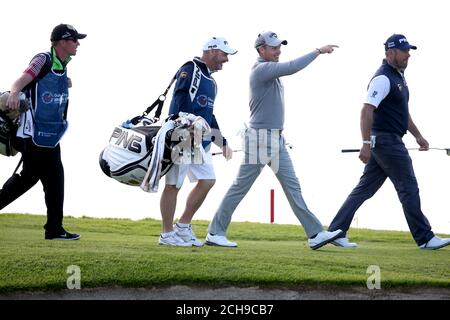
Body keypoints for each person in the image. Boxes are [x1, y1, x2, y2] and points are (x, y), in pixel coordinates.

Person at [206, 31, 343, 249]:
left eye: (279, 47)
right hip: (261, 140)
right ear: (261, 50)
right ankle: (215, 232)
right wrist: (318, 51)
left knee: (293, 187)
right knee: (240, 187)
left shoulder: (271, 71)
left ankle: (315, 233)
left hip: (276, 139)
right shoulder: (262, 69)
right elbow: (292, 67)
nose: (278, 50)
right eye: (274, 47)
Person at [328, 34, 450, 250]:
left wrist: (418, 135)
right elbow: (366, 110)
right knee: (408, 187)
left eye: (408, 51)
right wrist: (365, 143)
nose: (408, 55)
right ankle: (425, 238)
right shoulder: (383, 78)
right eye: (404, 51)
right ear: (390, 53)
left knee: (363, 189)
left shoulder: (398, 78)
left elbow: (402, 113)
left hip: (386, 141)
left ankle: (336, 231)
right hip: (386, 142)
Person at [0, 24, 86, 240]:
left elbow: (46, 85)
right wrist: (14, 93)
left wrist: (63, 82)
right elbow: (22, 79)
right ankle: (54, 228)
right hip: (32, 133)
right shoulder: (43, 58)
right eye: (75, 40)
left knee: (49, 177)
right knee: (32, 178)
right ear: (63, 41)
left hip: (48, 135)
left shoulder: (62, 64)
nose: (78, 44)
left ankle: (54, 228)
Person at [158, 37, 236, 247]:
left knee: (208, 180)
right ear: (210, 51)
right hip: (182, 133)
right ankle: (166, 234)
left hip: (199, 140)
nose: (226, 59)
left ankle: (183, 226)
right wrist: (189, 124)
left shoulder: (212, 82)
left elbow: (209, 115)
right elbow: (181, 95)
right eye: (224, 54)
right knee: (174, 184)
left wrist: (223, 142)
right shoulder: (191, 68)